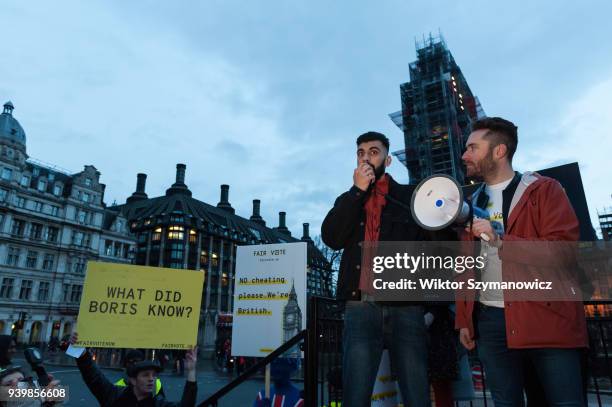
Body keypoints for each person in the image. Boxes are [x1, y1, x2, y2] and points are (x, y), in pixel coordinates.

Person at [456, 117, 587, 405]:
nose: (464, 155)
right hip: (490, 322)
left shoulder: (544, 190)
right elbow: (466, 268)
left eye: (472, 148)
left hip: (545, 316)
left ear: (499, 151)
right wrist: (464, 319)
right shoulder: (470, 204)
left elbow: (564, 252)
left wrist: (502, 241)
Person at [322, 131, 443, 407]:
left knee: (416, 392)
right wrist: (356, 192)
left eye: (373, 152)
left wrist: (433, 308)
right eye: (361, 152)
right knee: (356, 393)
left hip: (406, 305)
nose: (366, 157)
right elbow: (331, 238)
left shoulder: (410, 196)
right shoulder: (348, 199)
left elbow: (435, 251)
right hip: (361, 306)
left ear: (387, 160)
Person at [70, 332, 197, 407]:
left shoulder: (158, 404)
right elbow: (91, 374)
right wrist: (76, 347)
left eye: (154, 375)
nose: (151, 379)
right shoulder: (113, 395)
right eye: (146, 375)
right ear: (133, 380)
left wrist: (191, 371)